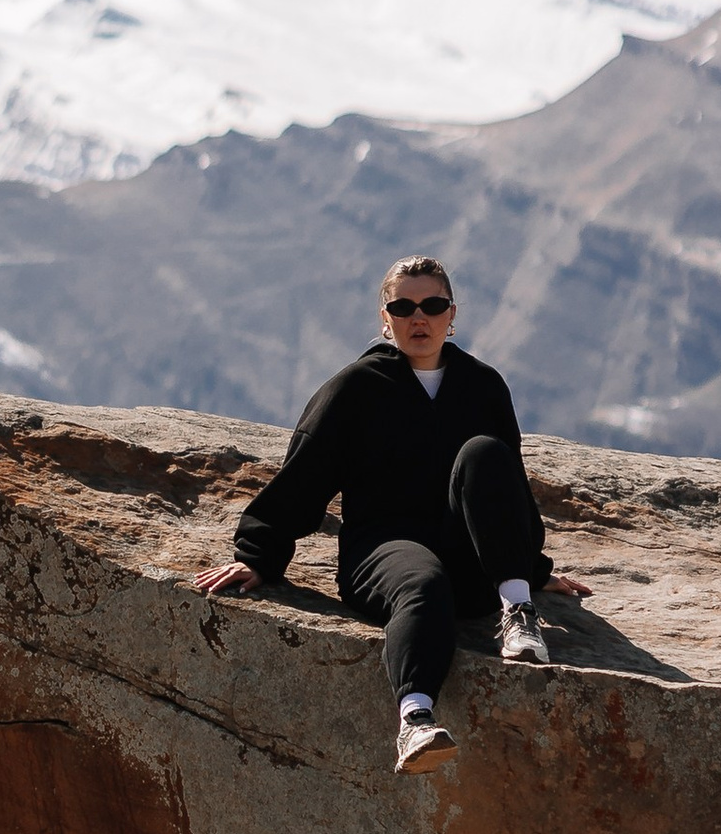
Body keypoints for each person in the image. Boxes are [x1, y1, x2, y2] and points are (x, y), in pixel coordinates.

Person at [195, 257, 591, 776]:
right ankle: (416, 720)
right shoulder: (356, 387)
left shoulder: (483, 386)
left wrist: (533, 570)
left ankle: (518, 613)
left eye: (432, 306)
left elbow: (507, 490)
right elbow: (305, 475)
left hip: (470, 561)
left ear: (453, 314)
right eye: (403, 307)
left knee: (484, 454)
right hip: (383, 554)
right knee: (424, 584)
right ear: (386, 318)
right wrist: (259, 555)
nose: (418, 318)